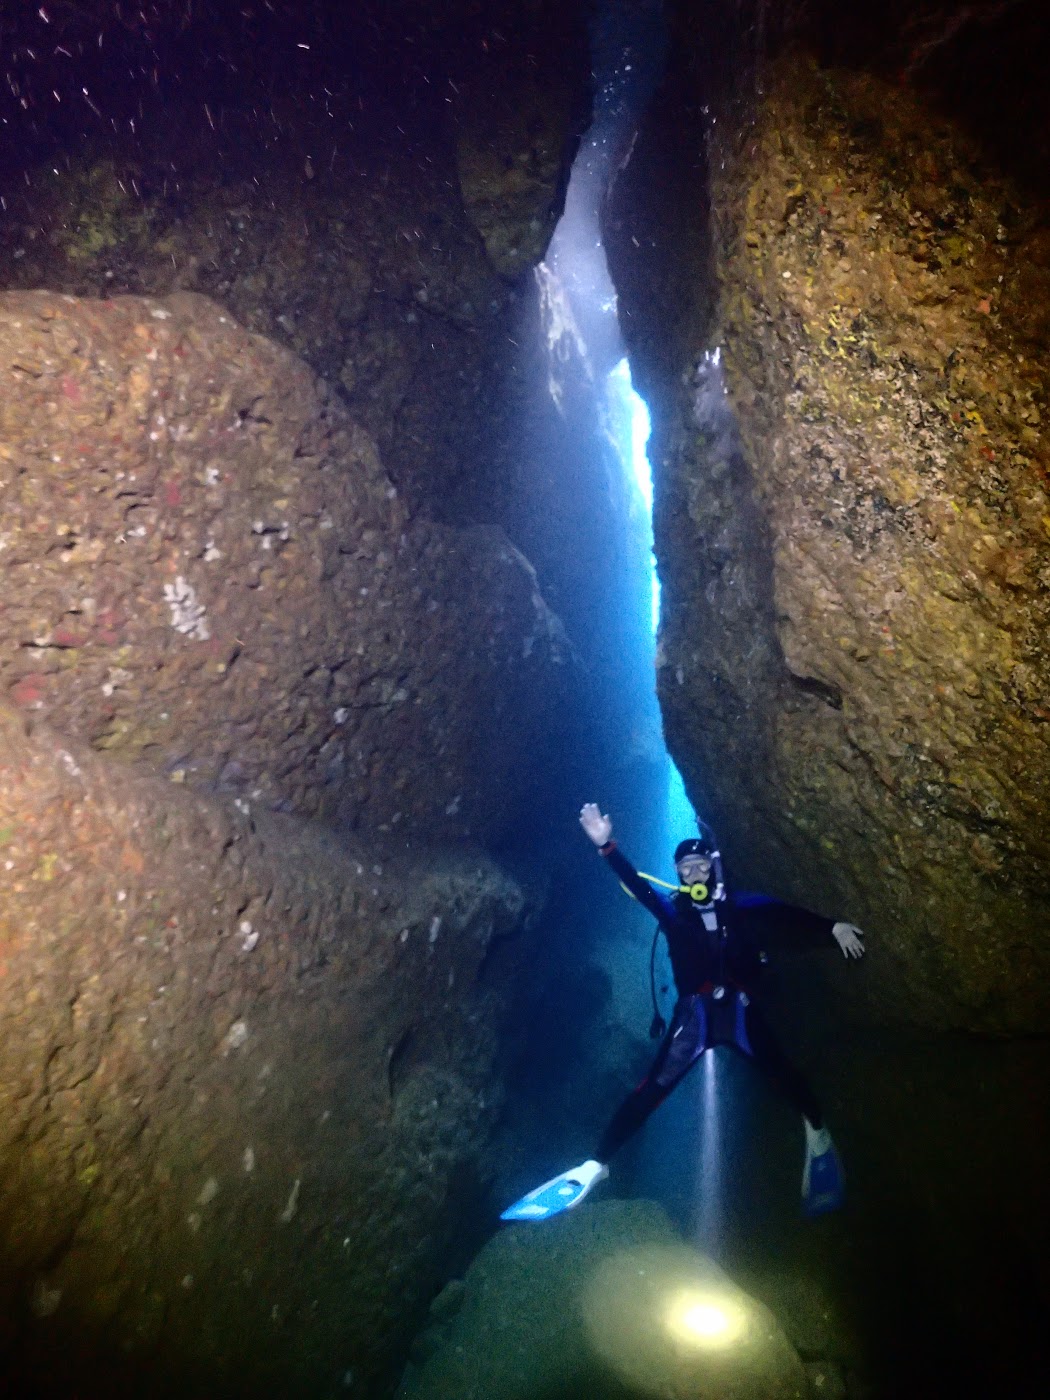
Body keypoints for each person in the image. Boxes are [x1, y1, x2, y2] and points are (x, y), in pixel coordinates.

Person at [500, 803, 866, 1223]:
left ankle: (817, 1132)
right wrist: (606, 847)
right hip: (694, 1019)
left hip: (738, 1011)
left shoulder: (737, 906)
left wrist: (830, 927)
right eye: (686, 869)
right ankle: (595, 1165)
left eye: (700, 866)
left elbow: (782, 913)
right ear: (678, 874)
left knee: (784, 1074)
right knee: (649, 1090)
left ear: (713, 868)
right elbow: (636, 885)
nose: (694, 875)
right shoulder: (672, 911)